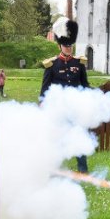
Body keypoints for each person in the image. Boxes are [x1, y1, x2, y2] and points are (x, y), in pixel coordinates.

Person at [41, 17, 90, 174]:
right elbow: (45, 89)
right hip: (58, 109)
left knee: (79, 137)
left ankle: (82, 169)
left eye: (70, 45)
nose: (68, 48)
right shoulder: (52, 65)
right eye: (65, 45)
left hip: (76, 108)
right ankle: (55, 168)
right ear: (59, 45)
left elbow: (85, 85)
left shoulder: (79, 63)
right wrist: (43, 105)